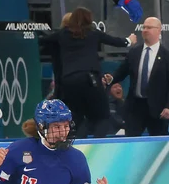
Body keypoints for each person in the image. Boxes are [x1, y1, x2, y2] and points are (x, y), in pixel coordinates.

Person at [40, 8, 135, 138]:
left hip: (69, 82)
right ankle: (97, 145)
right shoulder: (93, 33)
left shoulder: (62, 35)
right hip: (90, 80)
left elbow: (41, 40)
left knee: (76, 118)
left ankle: (77, 147)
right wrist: (130, 40)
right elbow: (117, 42)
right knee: (102, 116)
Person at [105, 17, 169, 136]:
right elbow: (121, 72)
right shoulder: (134, 53)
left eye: (149, 27)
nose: (145, 30)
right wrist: (111, 78)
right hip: (135, 107)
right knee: (131, 143)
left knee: (157, 145)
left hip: (158, 109)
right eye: (144, 27)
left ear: (159, 30)